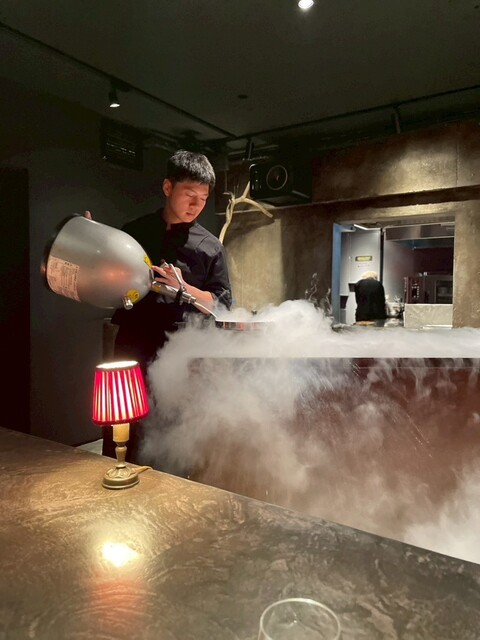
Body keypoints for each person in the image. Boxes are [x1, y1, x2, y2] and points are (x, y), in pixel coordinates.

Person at [89, 150, 232, 460]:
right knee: (122, 425)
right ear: (168, 187)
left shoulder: (210, 247)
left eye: (203, 198)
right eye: (189, 195)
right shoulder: (134, 232)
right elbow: (106, 275)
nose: (196, 205)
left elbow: (222, 305)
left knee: (173, 434)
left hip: (179, 350)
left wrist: (184, 289)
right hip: (131, 343)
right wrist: (90, 247)